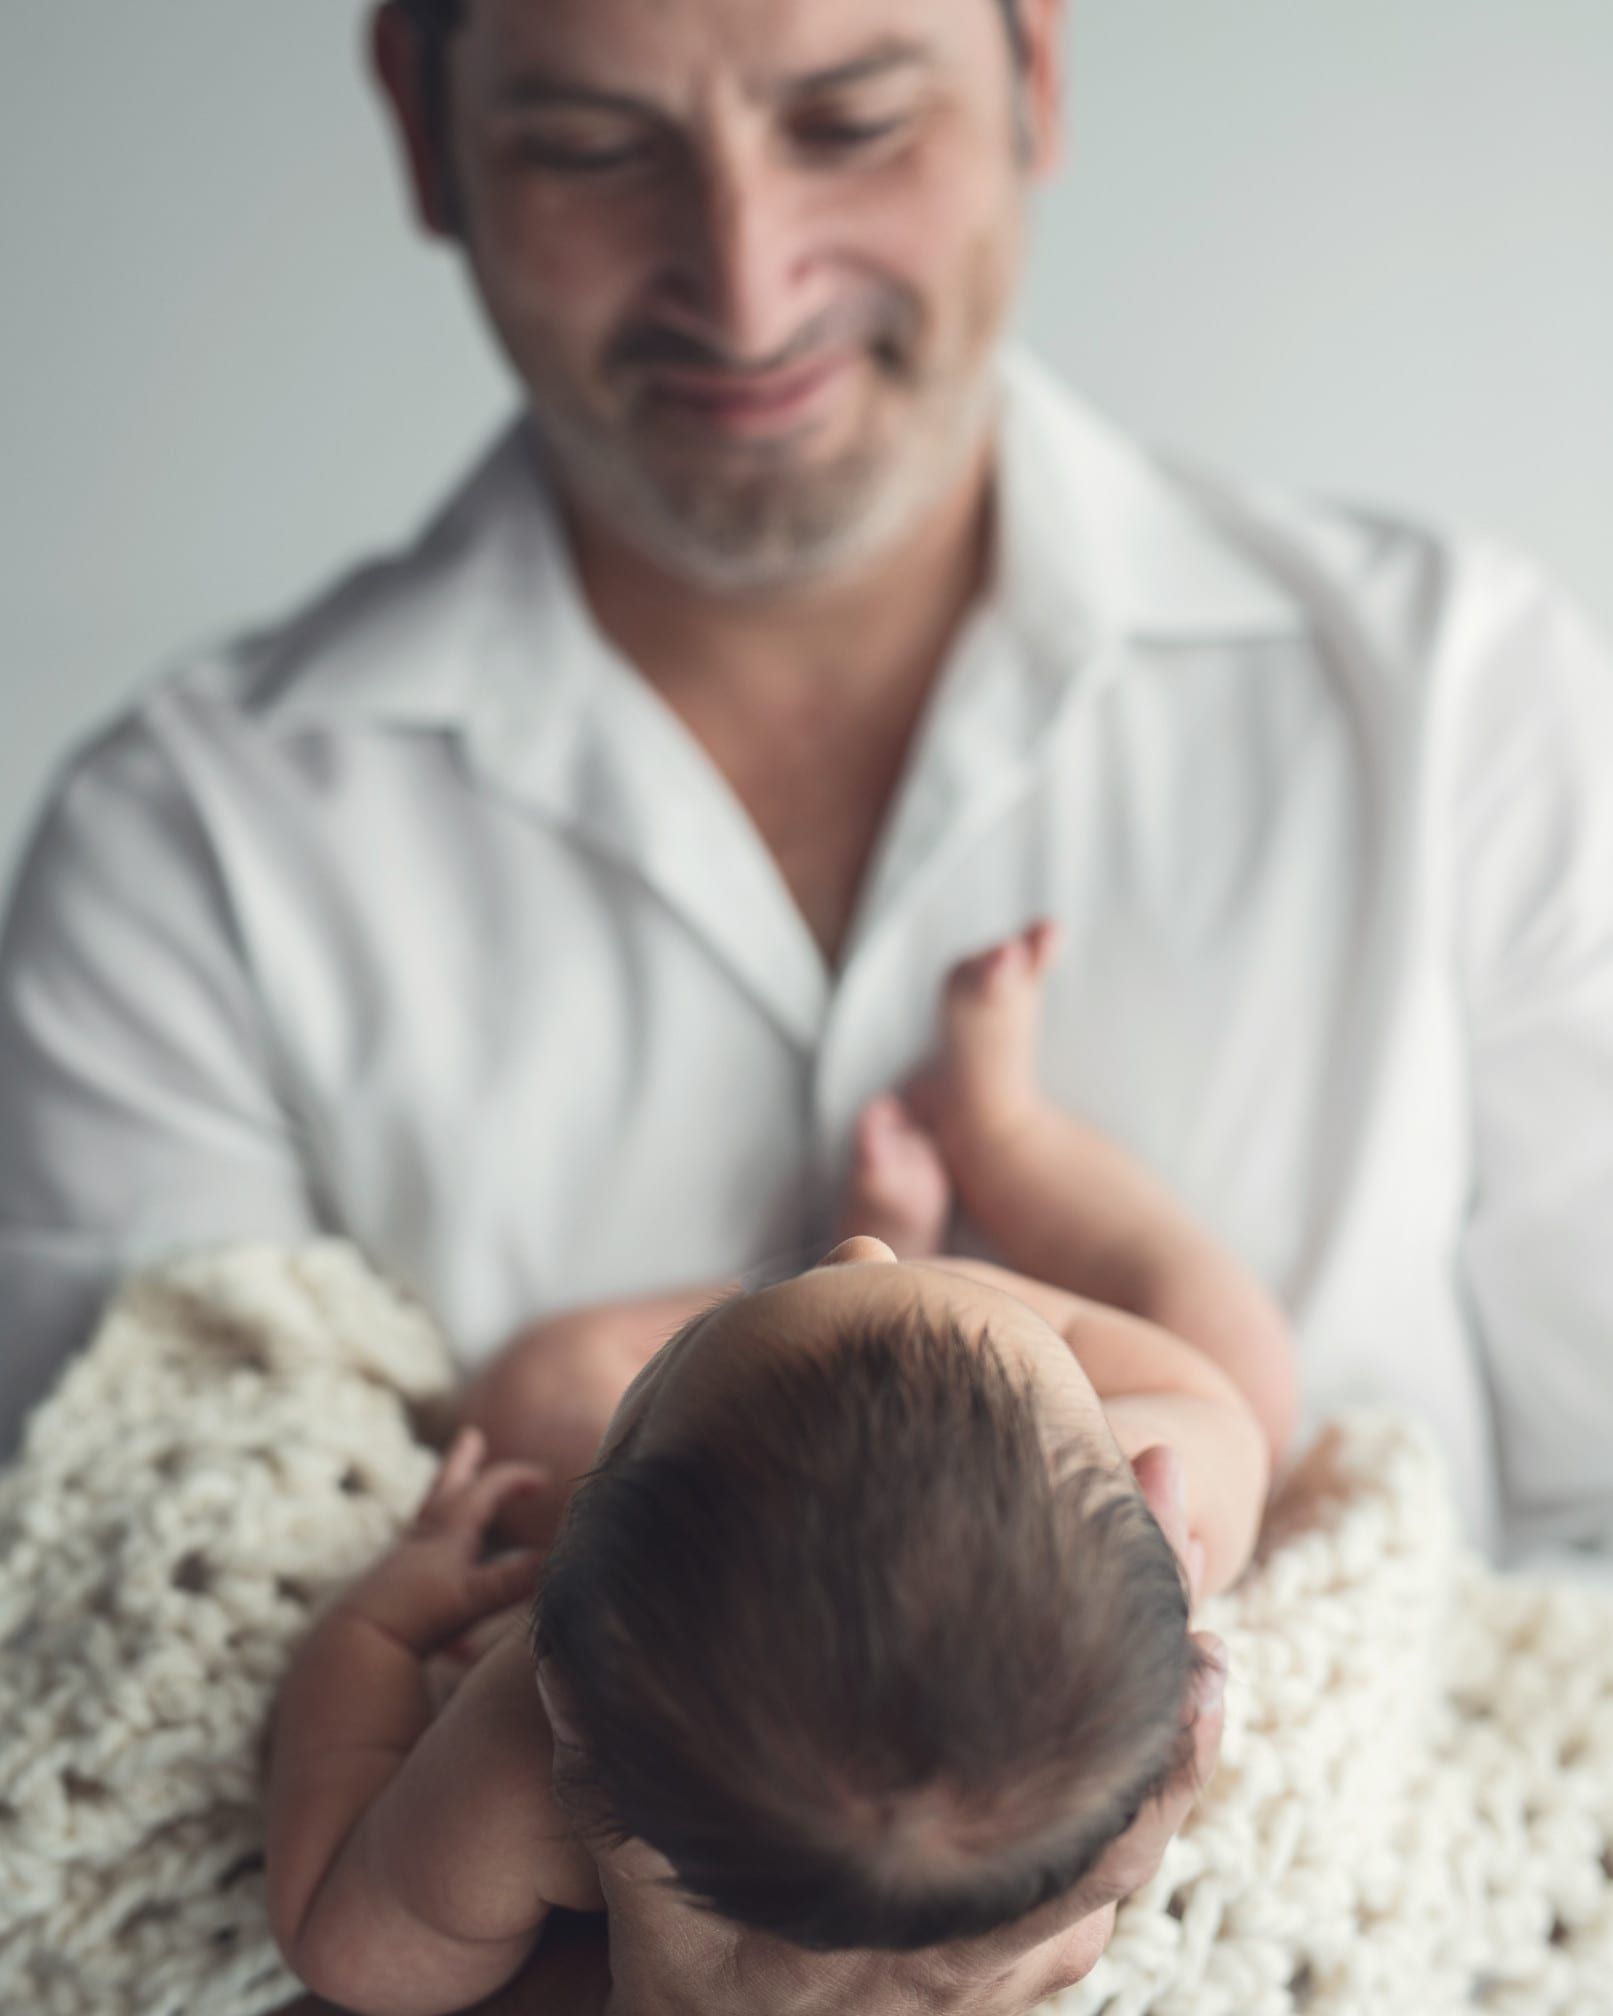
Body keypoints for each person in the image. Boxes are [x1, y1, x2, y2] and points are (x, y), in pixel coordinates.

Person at [1, 0, 1610, 1995]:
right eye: (594, 145)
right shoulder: (184, 855)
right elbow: (118, 1764)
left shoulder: (1457, 702)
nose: (746, 281)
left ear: (1034, 72)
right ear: (419, 124)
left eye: (849, 119)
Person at [266, 923, 1286, 2016]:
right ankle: (1005, 1135)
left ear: (557, 1662)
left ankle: (799, 1324)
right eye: (872, 1266)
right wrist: (980, 1331)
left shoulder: (522, 1752)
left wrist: (371, 1631)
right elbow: (1214, 1422)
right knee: (1248, 1378)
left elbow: (345, 1933)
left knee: (539, 1390)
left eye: (856, 1264)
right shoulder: (1134, 1582)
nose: (865, 1254)